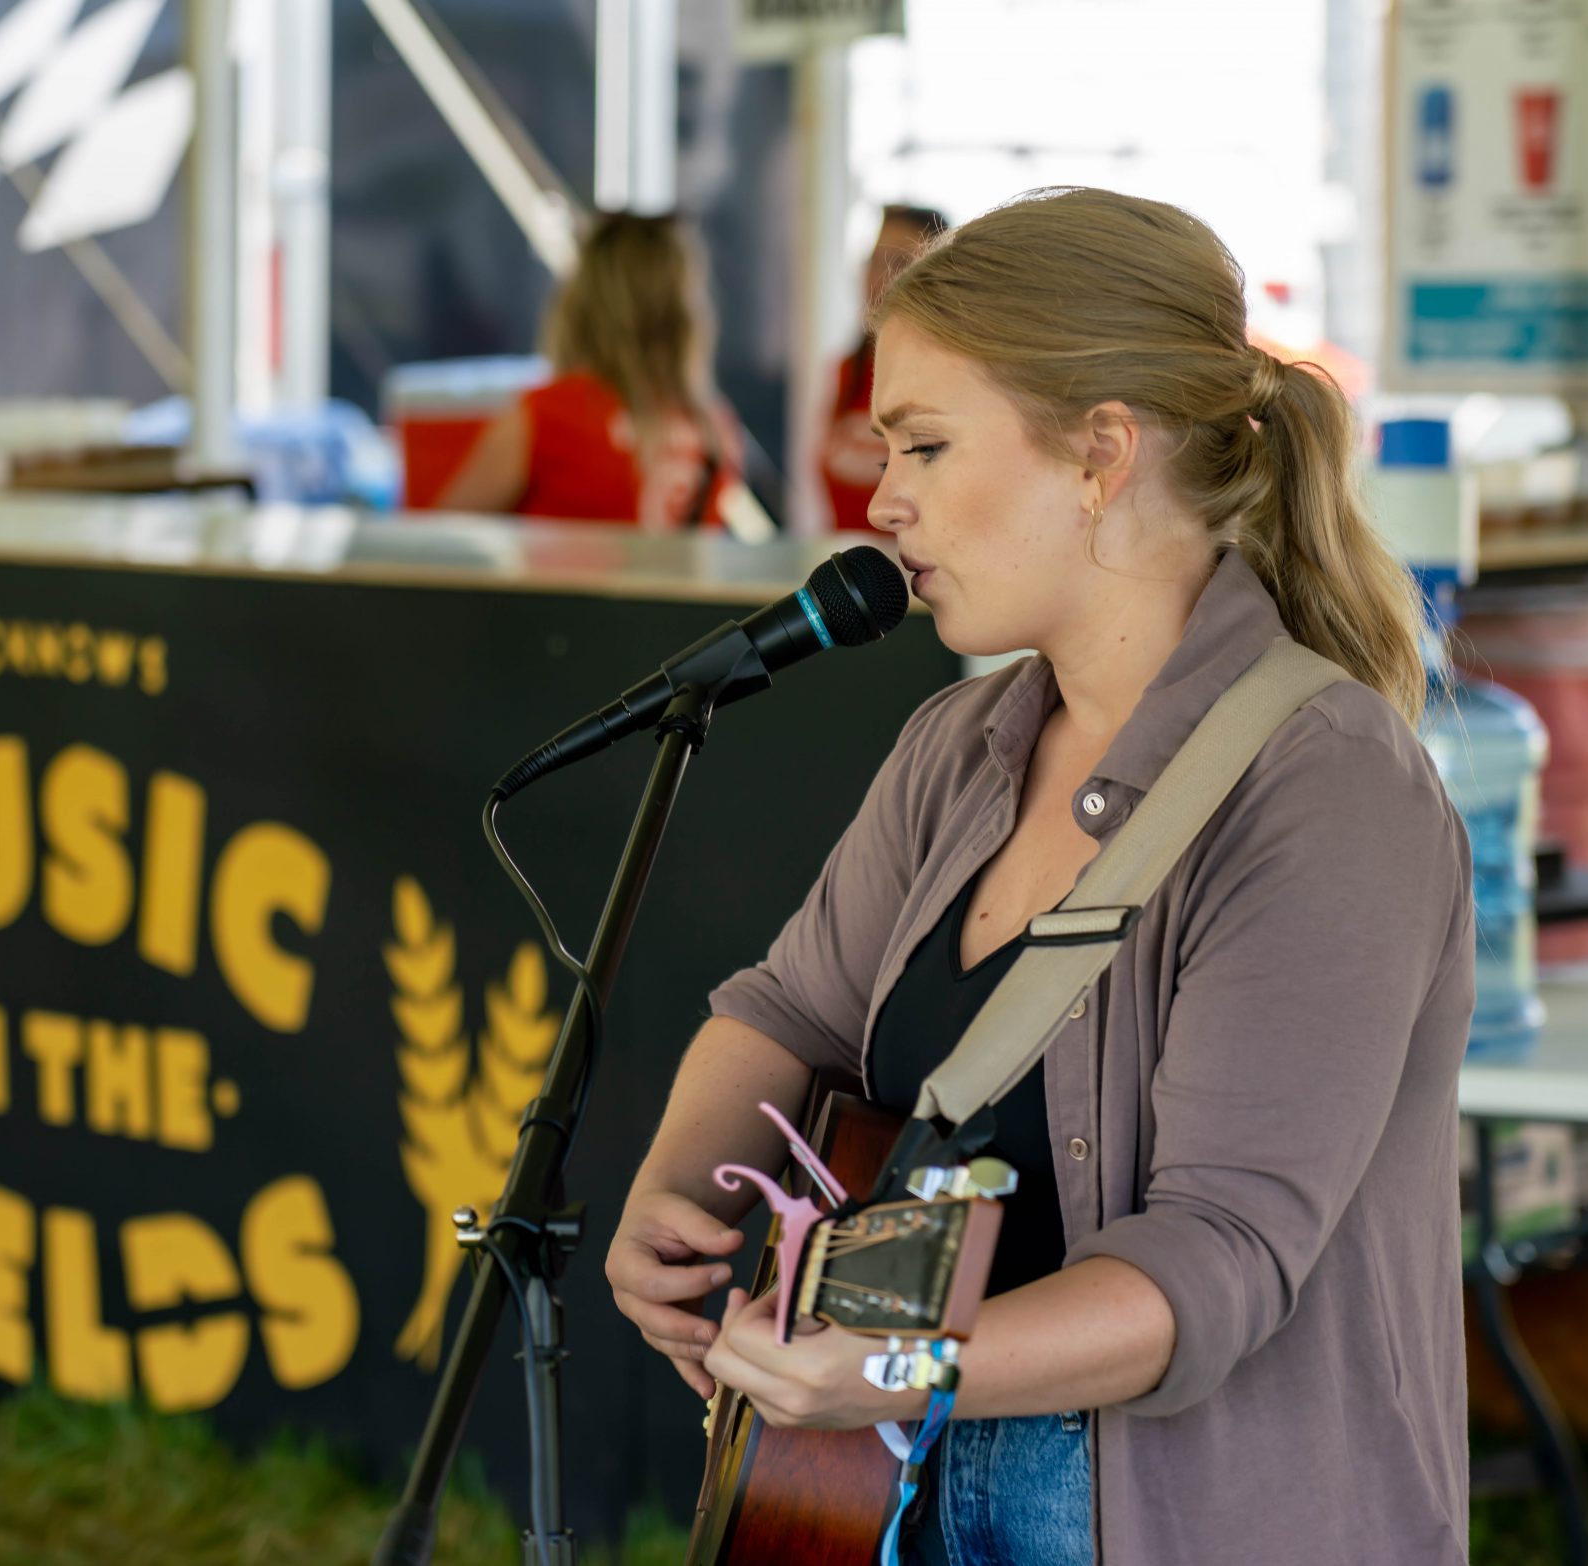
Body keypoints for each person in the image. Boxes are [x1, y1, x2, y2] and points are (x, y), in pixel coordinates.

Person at [606, 187, 1471, 1566]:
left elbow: (1215, 1261)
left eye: (926, 444)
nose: (882, 500)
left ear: (1100, 453)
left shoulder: (1326, 784)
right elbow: (791, 1010)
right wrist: (676, 1195)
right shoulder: (960, 743)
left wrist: (895, 1370)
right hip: (897, 1489)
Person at [436, 211, 741, 529]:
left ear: (584, 304)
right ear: (686, 318)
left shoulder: (549, 415)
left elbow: (443, 540)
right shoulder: (715, 433)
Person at [820, 203, 946, 532]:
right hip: (851, 559)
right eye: (875, 261)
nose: (881, 278)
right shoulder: (847, 371)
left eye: (899, 264)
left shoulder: (951, 382)